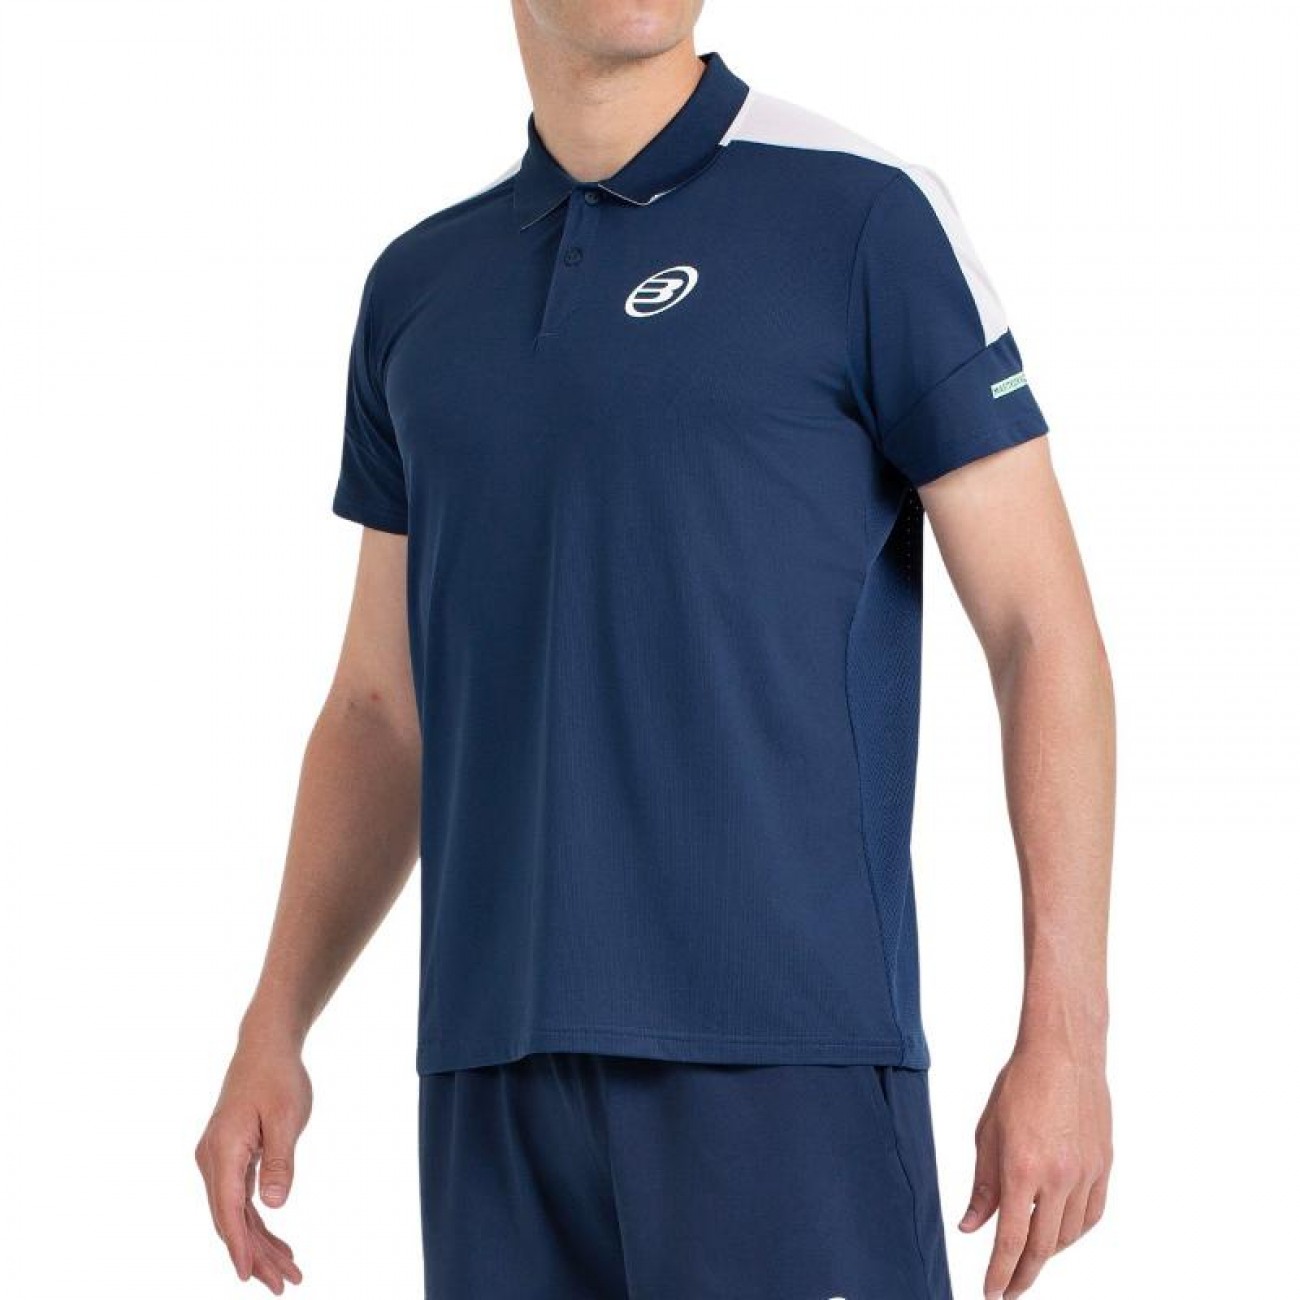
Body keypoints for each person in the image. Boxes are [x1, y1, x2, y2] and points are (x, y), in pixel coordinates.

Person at [194, 4, 1115, 1298]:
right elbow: (380, 710)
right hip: (492, 1078)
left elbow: (1040, 631)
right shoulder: (420, 289)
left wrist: (1067, 1041)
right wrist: (274, 1021)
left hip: (784, 1064)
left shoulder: (861, 218)